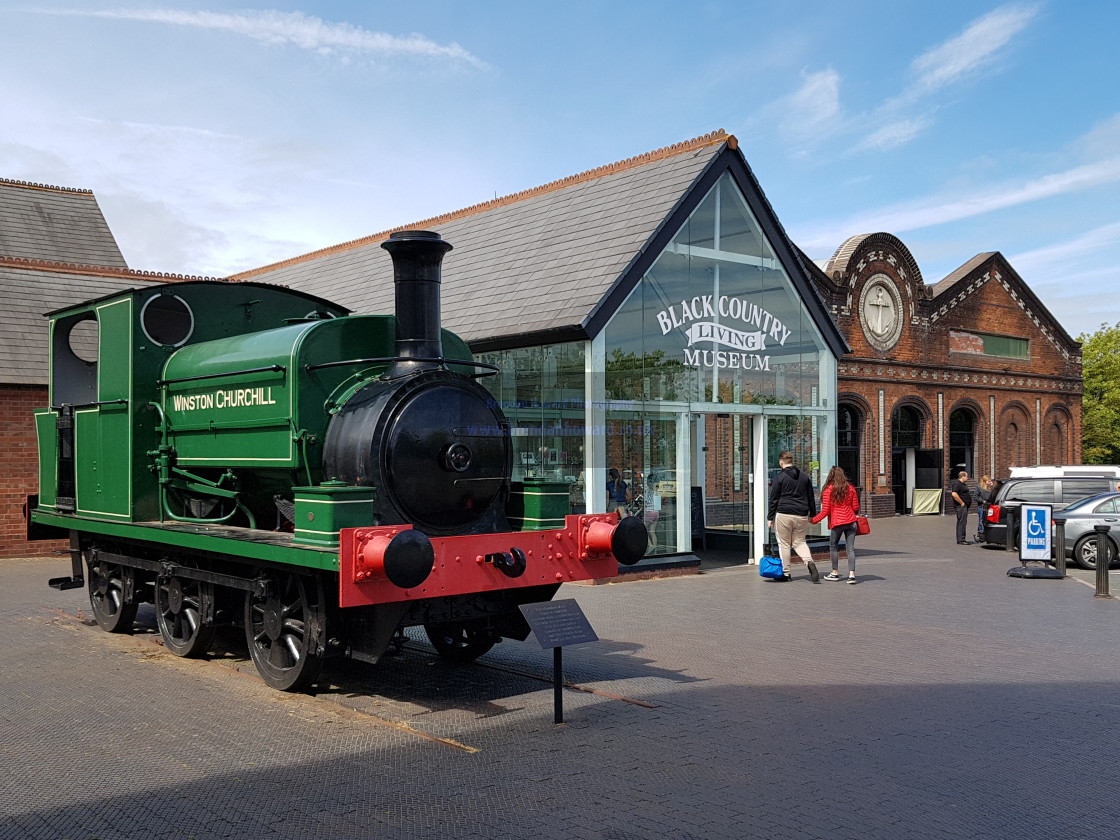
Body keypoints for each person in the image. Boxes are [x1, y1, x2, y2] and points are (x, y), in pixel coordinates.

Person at [766, 451, 819, 582]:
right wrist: (812, 514)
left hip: (784, 513)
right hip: (801, 514)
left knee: (784, 544)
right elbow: (811, 497)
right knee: (800, 542)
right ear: (792, 461)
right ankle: (809, 562)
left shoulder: (779, 478)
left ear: (781, 462)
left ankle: (785, 573)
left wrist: (770, 517)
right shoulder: (804, 477)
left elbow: (774, 499)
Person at [810, 466, 860, 584]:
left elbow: (825, 511)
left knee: (833, 547)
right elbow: (855, 507)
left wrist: (813, 520)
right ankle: (852, 575)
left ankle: (835, 572)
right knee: (850, 549)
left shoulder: (828, 490)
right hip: (851, 522)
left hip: (837, 523)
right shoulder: (851, 488)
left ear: (831, 476)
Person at [950, 470, 972, 544]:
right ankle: (961, 539)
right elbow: (954, 494)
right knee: (962, 522)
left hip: (964, 506)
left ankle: (962, 539)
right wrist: (962, 503)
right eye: (967, 476)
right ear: (962, 476)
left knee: (962, 522)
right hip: (961, 507)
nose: (968, 478)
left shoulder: (963, 484)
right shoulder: (957, 484)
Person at [974, 474, 994, 542]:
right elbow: (975, 497)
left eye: (990, 481)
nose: (989, 482)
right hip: (982, 507)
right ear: (984, 481)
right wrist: (982, 501)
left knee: (988, 520)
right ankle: (981, 534)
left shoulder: (990, 488)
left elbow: (993, 495)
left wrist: (992, 486)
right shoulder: (979, 487)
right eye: (988, 481)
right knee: (981, 520)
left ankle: (986, 534)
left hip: (989, 507)